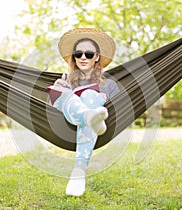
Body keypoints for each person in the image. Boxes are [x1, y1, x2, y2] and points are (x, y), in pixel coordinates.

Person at [53, 28, 119, 196]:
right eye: (78, 53)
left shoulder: (109, 84)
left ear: (97, 57)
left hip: (95, 117)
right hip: (68, 119)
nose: (83, 57)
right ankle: (89, 117)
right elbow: (53, 106)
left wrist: (101, 98)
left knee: (91, 96)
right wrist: (58, 88)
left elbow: (118, 107)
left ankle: (79, 172)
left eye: (89, 54)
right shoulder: (66, 80)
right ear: (74, 57)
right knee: (65, 95)